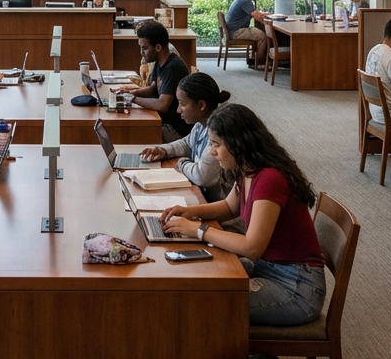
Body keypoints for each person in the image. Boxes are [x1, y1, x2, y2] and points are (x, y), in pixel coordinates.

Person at [162, 104, 326, 327]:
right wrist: (189, 212)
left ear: (239, 143)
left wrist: (197, 230)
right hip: (269, 267)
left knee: (202, 301)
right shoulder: (249, 168)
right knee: (201, 277)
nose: (212, 151)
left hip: (296, 287)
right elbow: (229, 207)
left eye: (217, 144)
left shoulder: (269, 179)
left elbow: (252, 247)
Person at [139, 72, 232, 201]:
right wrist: (164, 150)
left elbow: (202, 175)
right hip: (201, 195)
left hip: (215, 204)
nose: (178, 110)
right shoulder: (201, 124)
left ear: (201, 105)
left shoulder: (218, 132)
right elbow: (186, 144)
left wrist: (181, 163)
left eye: (183, 104)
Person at [123, 19, 191, 143]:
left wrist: (132, 99)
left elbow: (162, 105)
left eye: (144, 48)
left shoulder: (173, 67)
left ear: (158, 47)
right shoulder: (160, 63)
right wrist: (131, 92)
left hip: (175, 130)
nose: (141, 52)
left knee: (131, 132)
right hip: (163, 121)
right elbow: (152, 89)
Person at [226, 0, 269, 69]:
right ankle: (257, 61)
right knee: (263, 36)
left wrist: (261, 14)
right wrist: (265, 20)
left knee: (257, 33)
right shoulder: (246, 1)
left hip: (232, 30)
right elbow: (255, 15)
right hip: (237, 31)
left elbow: (253, 12)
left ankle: (253, 58)